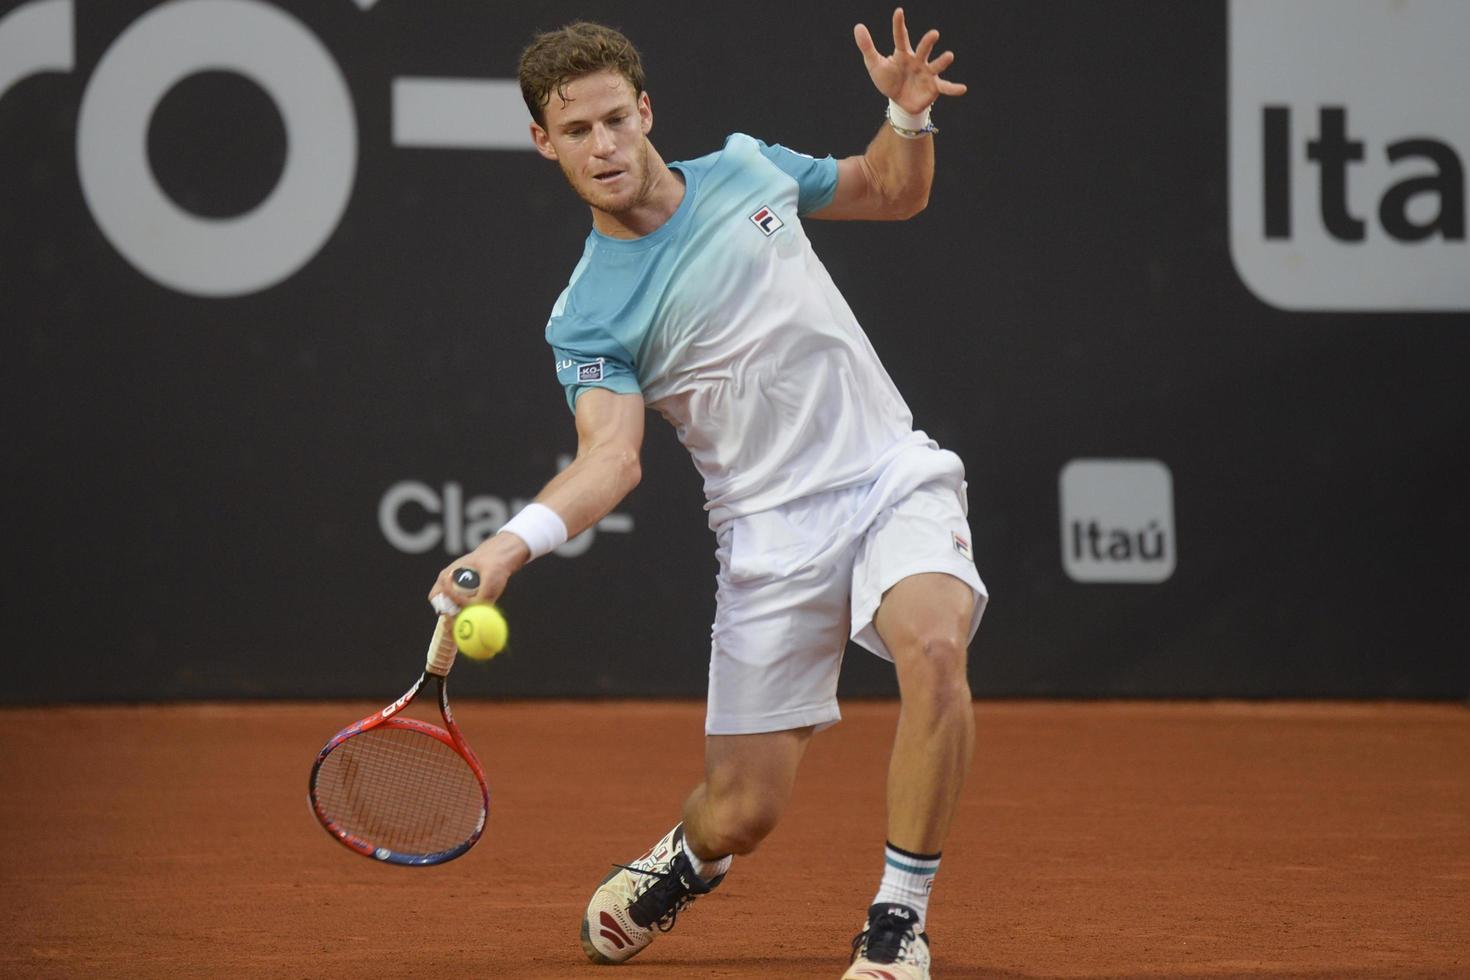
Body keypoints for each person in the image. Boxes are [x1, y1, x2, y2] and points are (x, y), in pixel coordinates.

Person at [431, 10, 985, 979]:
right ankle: (688, 859)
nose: (603, 146)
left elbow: (893, 191)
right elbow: (611, 458)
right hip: (767, 536)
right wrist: (507, 546)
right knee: (742, 810)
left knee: (935, 650)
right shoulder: (588, 311)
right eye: (576, 131)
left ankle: (897, 917)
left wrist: (907, 118)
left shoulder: (747, 168)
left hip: (887, 474)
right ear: (542, 141)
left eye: (615, 119)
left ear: (646, 111)